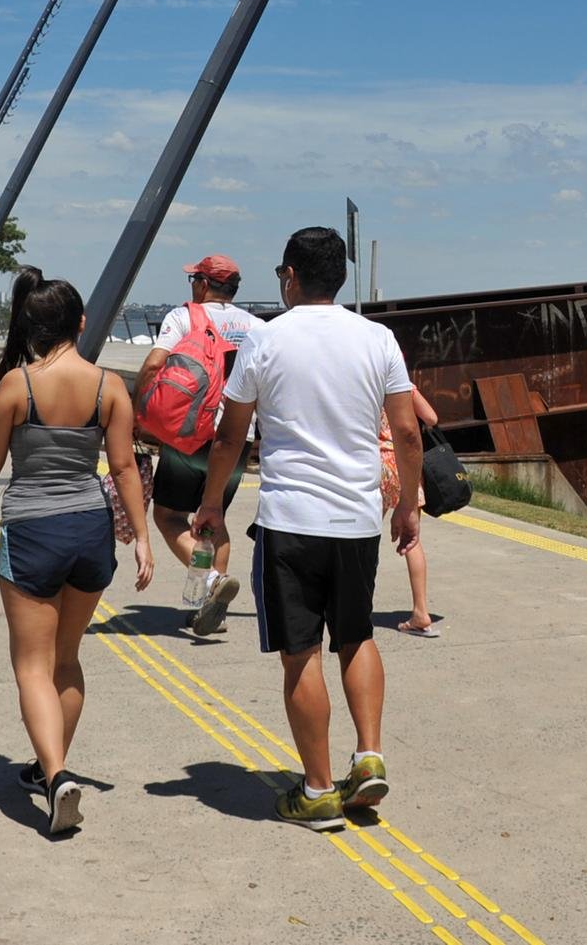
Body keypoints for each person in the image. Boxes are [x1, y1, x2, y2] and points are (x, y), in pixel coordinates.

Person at [194, 228, 420, 830]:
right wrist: (408, 506)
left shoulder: (267, 340)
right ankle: (368, 756)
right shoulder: (378, 339)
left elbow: (230, 435)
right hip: (355, 520)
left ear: (290, 276)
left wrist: (212, 503)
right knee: (357, 636)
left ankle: (318, 791)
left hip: (289, 522)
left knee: (301, 654)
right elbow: (408, 431)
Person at [0, 268, 155, 837]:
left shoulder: (19, 385)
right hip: (90, 531)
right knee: (67, 659)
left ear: (28, 324)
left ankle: (57, 775)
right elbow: (124, 467)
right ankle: (44, 767)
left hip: (33, 533)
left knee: (31, 666)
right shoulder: (110, 385)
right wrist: (141, 540)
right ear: (82, 323)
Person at [136, 254, 262, 636]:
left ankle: (210, 585)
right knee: (213, 518)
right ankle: (209, 609)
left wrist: (138, 409)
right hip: (238, 439)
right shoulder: (256, 326)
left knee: (169, 516)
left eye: (194, 278)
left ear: (203, 284)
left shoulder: (184, 317)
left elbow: (155, 364)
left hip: (191, 434)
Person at [381, 388, 442, 637]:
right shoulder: (403, 385)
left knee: (363, 537)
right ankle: (420, 611)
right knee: (412, 539)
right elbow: (431, 418)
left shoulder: (363, 375)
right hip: (406, 465)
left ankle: (352, 606)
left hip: (374, 462)